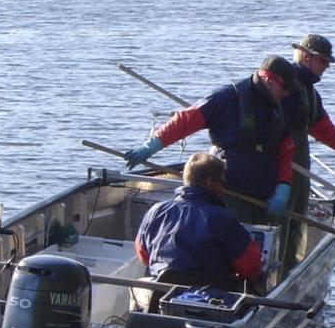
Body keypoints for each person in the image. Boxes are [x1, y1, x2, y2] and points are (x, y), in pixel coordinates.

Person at [123, 55, 299, 225]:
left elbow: (284, 150)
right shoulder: (228, 98)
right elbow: (186, 120)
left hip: (262, 200)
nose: (287, 93)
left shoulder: (278, 108)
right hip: (226, 193)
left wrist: (283, 186)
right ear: (269, 80)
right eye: (285, 88)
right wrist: (152, 146)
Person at [281, 34, 335, 268]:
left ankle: (288, 269)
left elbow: (321, 126)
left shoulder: (309, 92)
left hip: (299, 172)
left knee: (296, 222)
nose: (327, 67)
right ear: (307, 57)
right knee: (278, 222)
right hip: (280, 168)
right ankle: (271, 273)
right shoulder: (285, 86)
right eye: (324, 61)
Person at [134, 152, 262, 306]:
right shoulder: (223, 219)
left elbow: (143, 256)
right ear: (210, 182)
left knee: (137, 287)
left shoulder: (156, 211)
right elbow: (251, 267)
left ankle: (139, 322)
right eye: (222, 182)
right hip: (211, 300)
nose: (223, 188)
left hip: (161, 294)